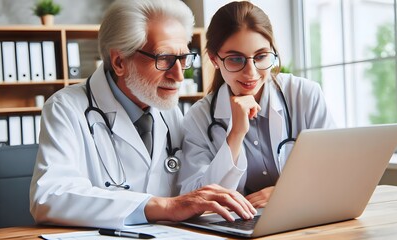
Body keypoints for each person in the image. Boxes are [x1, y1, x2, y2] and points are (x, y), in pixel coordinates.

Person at [30, 0, 256, 229]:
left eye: (183, 59)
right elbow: (50, 196)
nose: (179, 76)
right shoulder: (66, 108)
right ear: (120, 61)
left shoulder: (168, 111)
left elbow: (195, 194)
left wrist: (235, 135)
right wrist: (164, 207)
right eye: (164, 59)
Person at [179, 1, 336, 208]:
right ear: (214, 60)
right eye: (236, 59)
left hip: (303, 216)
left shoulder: (304, 95)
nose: (251, 72)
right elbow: (194, 197)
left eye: (261, 56)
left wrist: (285, 193)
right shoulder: (199, 118)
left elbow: (334, 171)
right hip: (236, 225)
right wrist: (235, 134)